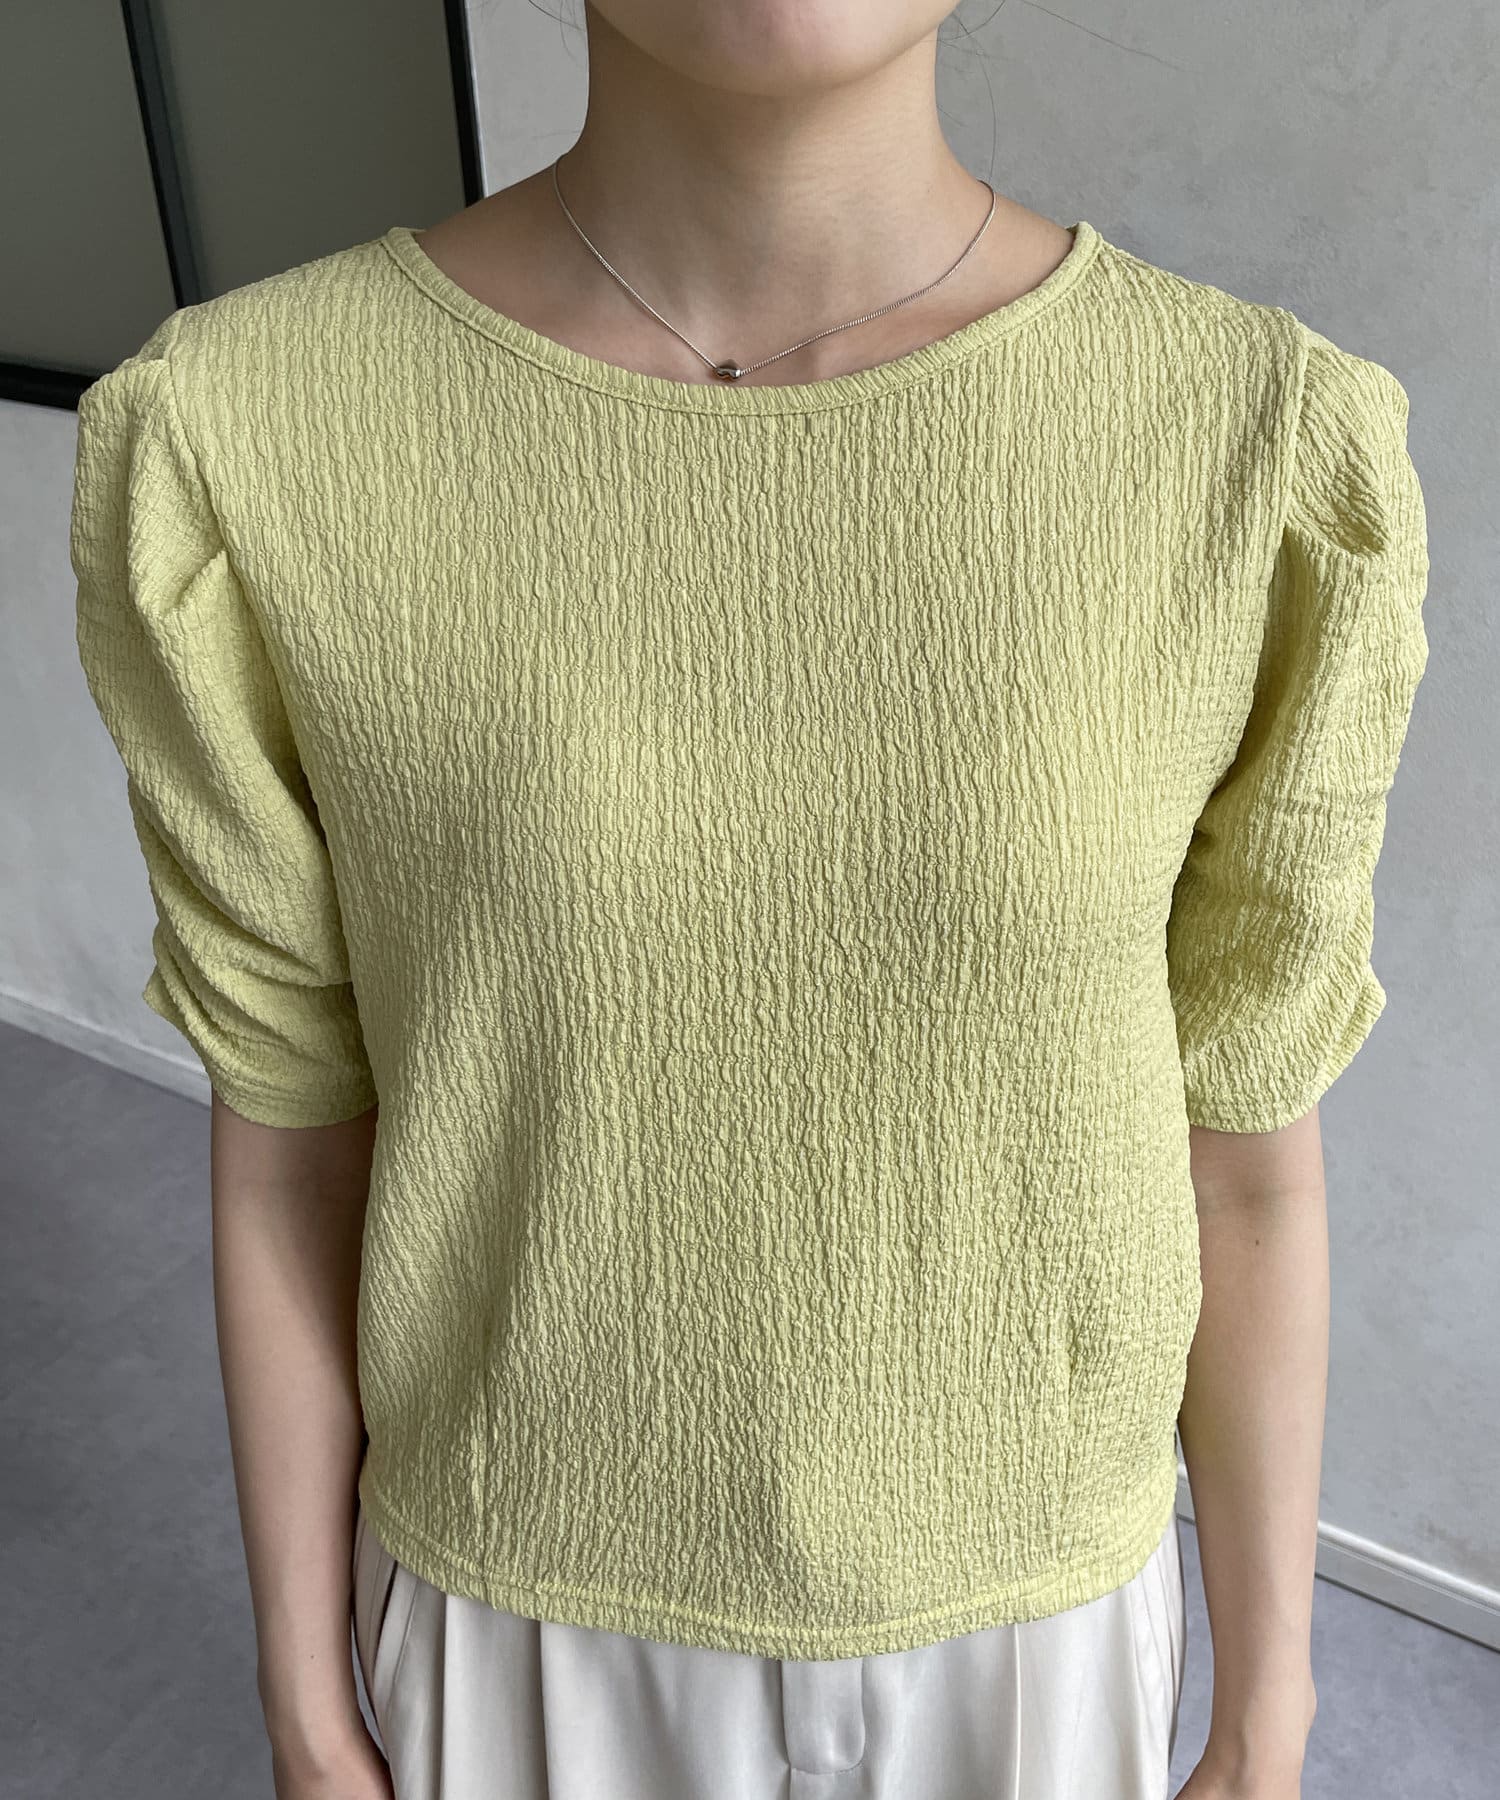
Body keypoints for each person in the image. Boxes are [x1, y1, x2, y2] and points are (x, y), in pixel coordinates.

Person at [69, 3, 1431, 1798]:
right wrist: (308, 1713)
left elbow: (1244, 1155)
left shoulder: (1253, 444)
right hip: (519, 1610)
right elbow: (293, 1138)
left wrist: (1269, 1709)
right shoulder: (252, 430)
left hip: (1031, 1627)